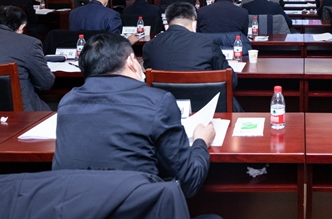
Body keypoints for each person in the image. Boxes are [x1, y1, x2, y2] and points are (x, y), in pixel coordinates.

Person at [52, 33, 214, 198]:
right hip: (138, 206)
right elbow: (189, 182)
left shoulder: (67, 103)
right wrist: (201, 142)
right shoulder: (158, 102)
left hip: (78, 206)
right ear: (131, 61)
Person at [143, 3, 233, 82]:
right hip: (202, 96)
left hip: (162, 96)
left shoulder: (149, 46)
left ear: (167, 24)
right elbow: (231, 79)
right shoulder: (207, 43)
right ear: (194, 24)